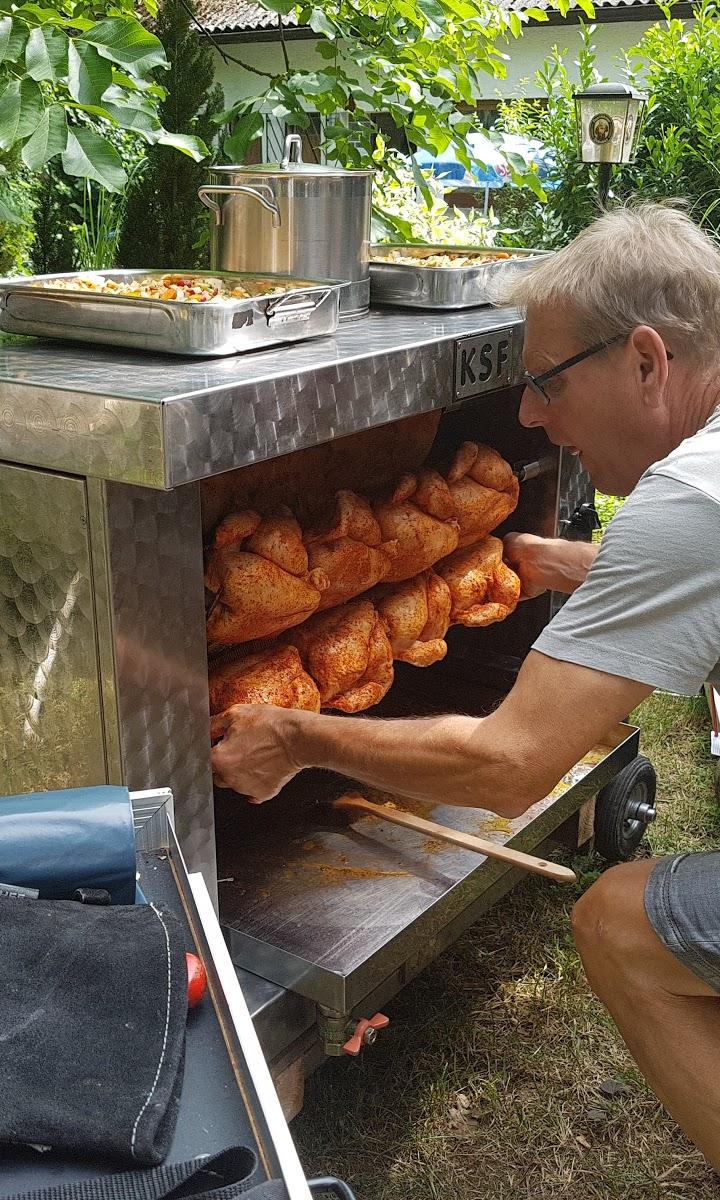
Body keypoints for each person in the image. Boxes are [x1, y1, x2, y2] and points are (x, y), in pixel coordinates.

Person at [210, 203, 720, 1168]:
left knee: (617, 922)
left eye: (545, 384)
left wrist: (298, 736)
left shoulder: (691, 505)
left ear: (648, 361)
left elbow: (508, 767)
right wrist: (568, 563)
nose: (528, 417)